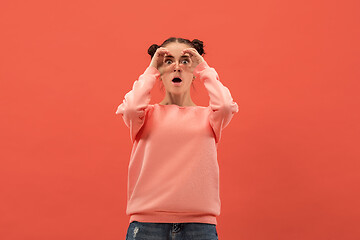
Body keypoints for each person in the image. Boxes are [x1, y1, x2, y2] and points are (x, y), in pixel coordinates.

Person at [116, 37, 239, 240]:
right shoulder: (144, 115)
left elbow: (226, 105)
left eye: (185, 61)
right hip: (147, 225)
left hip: (199, 227)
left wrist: (205, 69)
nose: (177, 67)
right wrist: (150, 71)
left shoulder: (210, 117)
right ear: (160, 73)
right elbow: (130, 107)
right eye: (168, 61)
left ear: (195, 73)